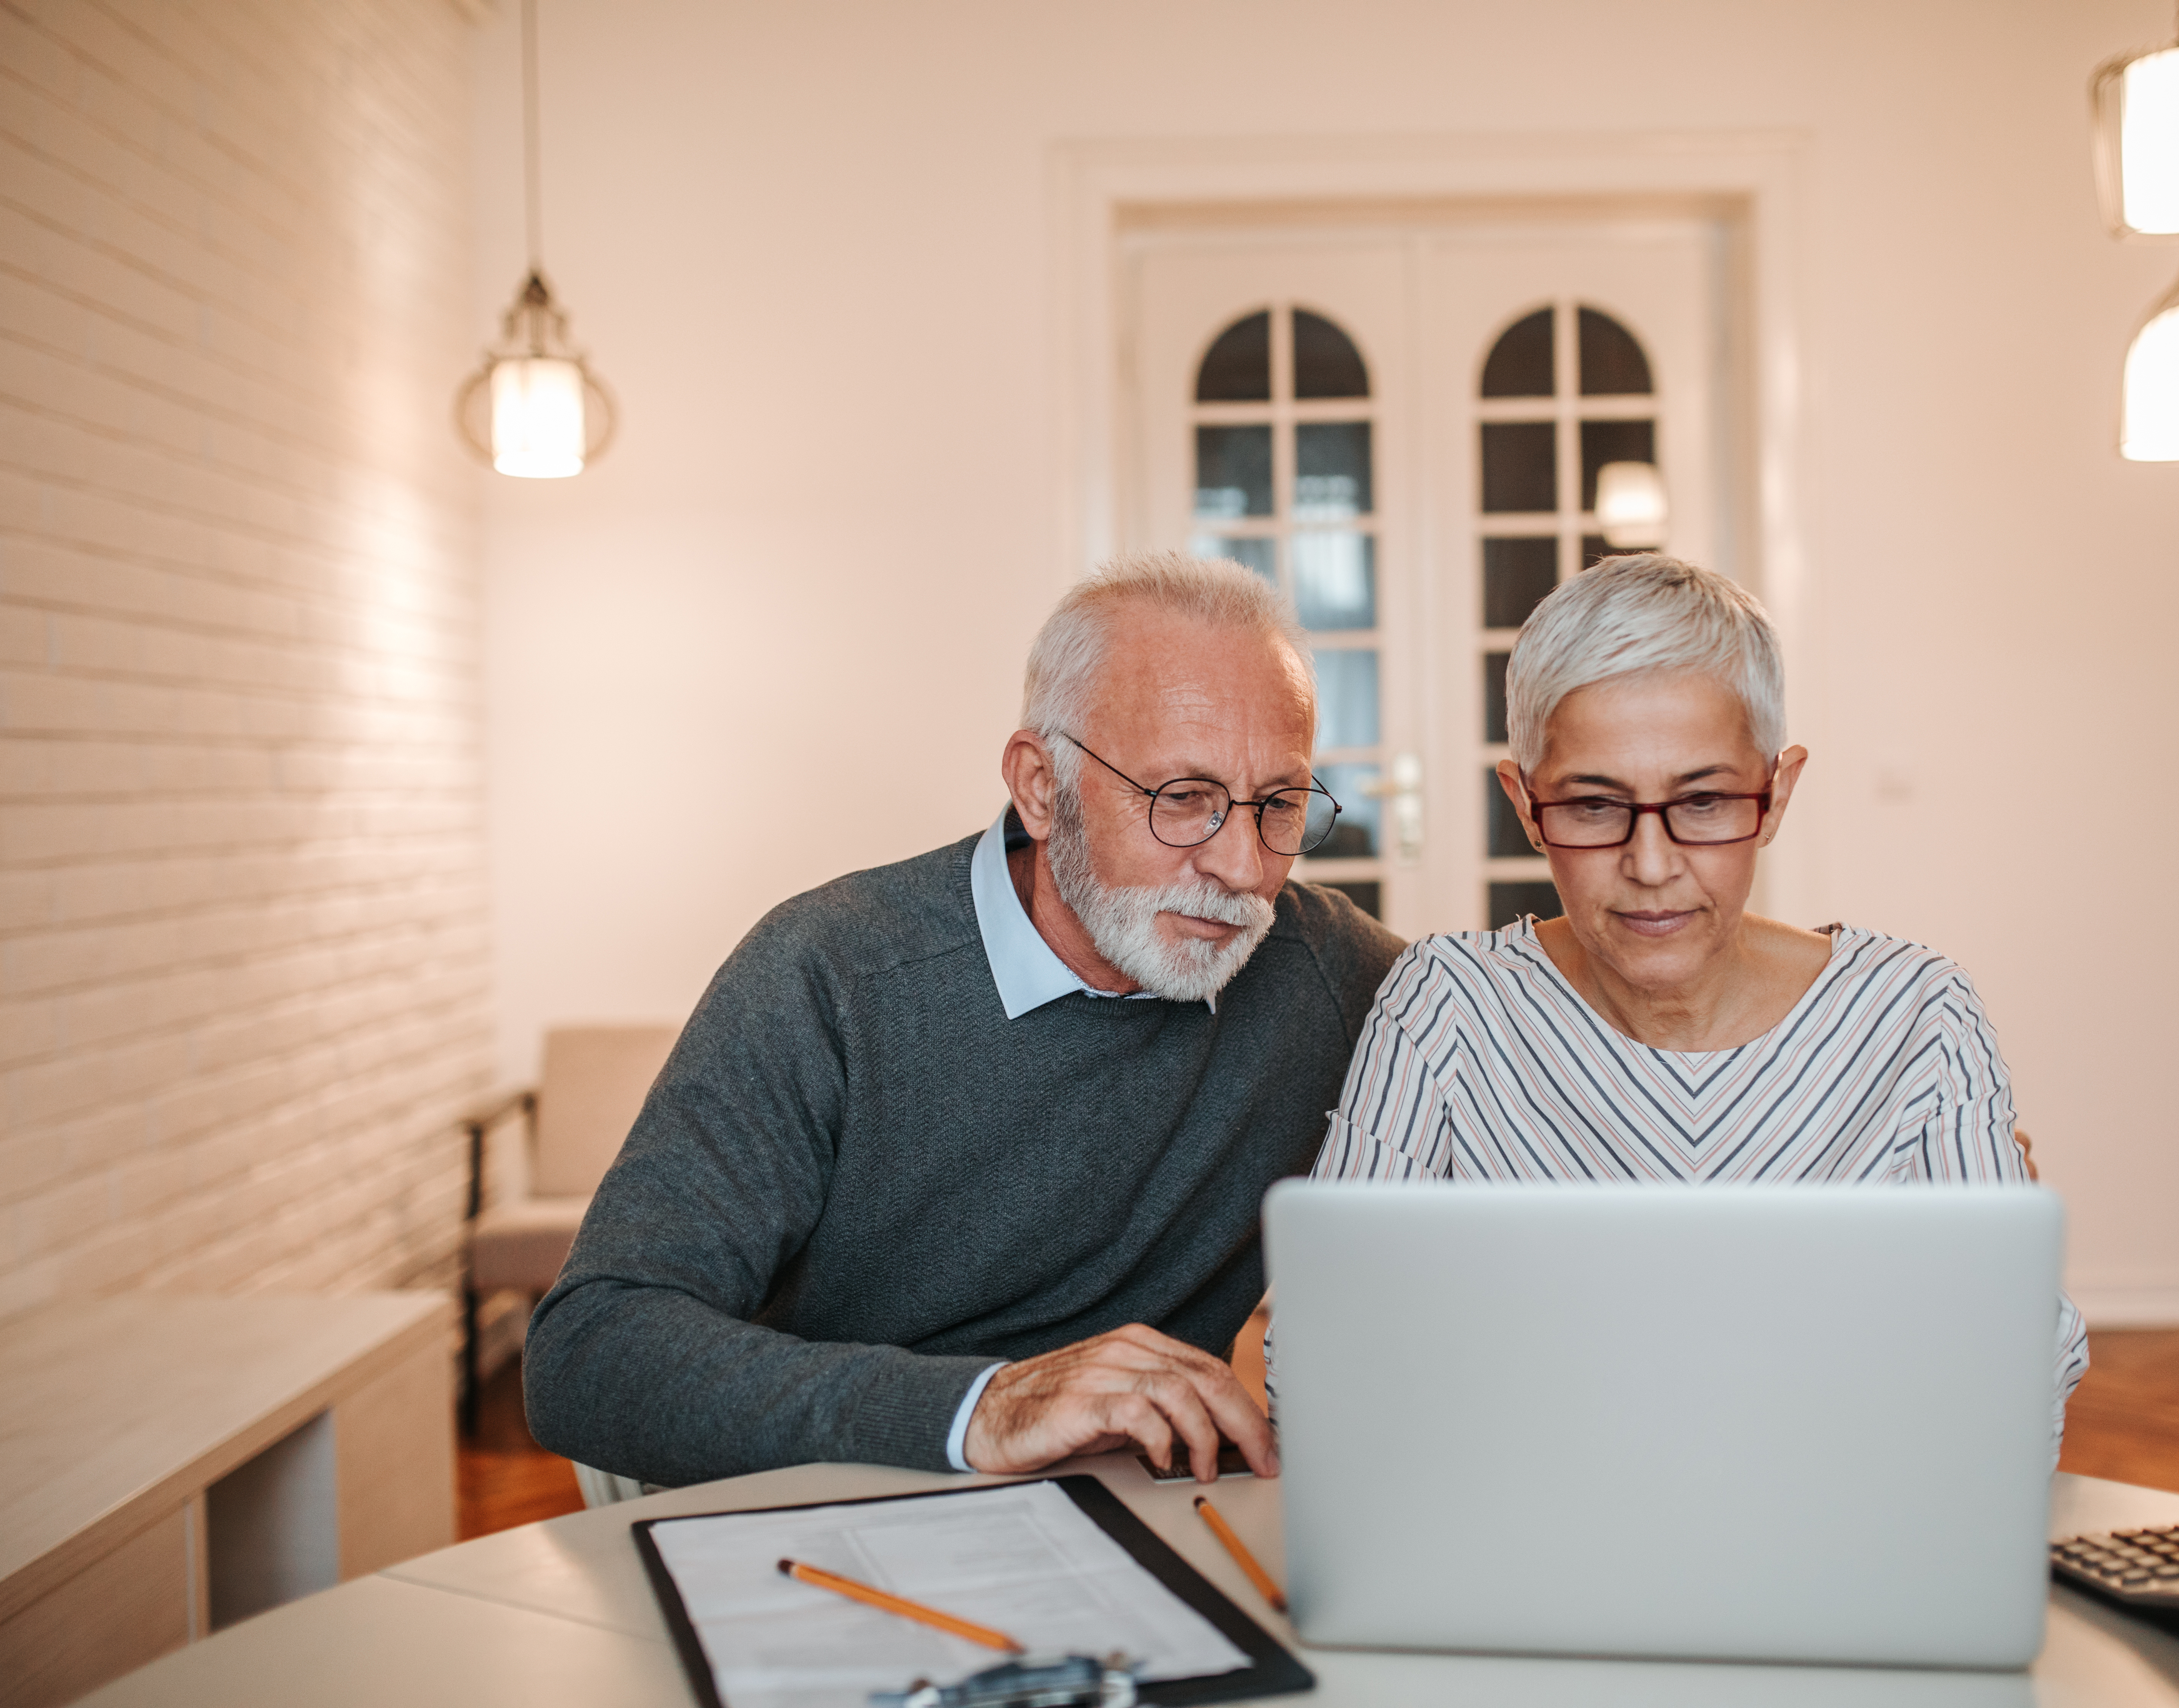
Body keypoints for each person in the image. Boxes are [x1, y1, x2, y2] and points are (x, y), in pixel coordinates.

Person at [524, 552, 1404, 1488]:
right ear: (1038, 784)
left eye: (1278, 805)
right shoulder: (832, 973)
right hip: (822, 1497)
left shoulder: (1324, 969)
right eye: (1182, 799)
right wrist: (985, 1405)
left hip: (1135, 1523)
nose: (1240, 864)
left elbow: (1521, 1006)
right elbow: (590, 1349)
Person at [1279, 554, 2088, 1442]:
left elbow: (2017, 1386)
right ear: (1524, 800)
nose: (1652, 867)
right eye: (1594, 806)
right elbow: (1319, 1359)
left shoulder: (1917, 1017)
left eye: (1702, 801)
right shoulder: (1445, 1007)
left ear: (1776, 794)